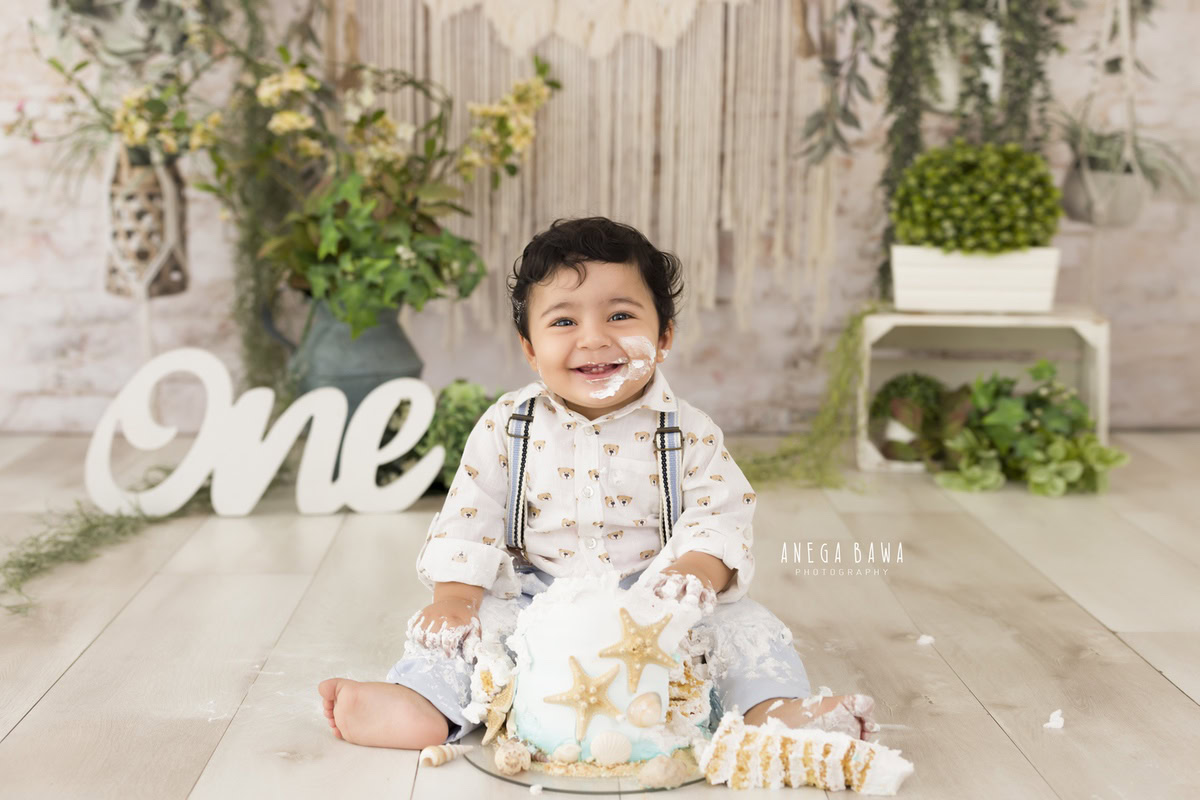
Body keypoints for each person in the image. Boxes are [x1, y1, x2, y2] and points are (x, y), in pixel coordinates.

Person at [318, 217, 878, 750]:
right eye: (564, 321)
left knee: (744, 629)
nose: (593, 339)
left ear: (663, 337)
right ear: (531, 349)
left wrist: (695, 571)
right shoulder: (507, 427)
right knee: (471, 635)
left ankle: (770, 711)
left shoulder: (687, 431)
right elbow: (472, 514)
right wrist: (457, 599)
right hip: (535, 594)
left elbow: (720, 513)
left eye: (620, 317)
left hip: (657, 596)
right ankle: (423, 704)